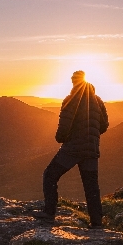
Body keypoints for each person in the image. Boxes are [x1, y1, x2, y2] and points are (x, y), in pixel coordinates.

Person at [34, 70, 108, 227]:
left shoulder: (71, 100)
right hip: (92, 149)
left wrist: (61, 139)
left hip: (73, 149)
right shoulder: (98, 101)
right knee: (91, 186)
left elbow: (64, 127)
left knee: (50, 175)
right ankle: (97, 222)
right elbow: (104, 126)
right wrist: (91, 135)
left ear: (74, 82)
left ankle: (49, 212)